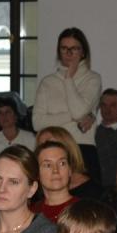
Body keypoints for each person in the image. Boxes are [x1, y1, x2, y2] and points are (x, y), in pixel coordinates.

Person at [32, 27, 103, 181]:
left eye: (74, 48)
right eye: (64, 48)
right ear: (59, 52)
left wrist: (68, 77)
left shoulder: (92, 79)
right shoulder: (47, 82)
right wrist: (74, 117)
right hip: (52, 149)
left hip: (82, 148)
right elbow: (37, 123)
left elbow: (79, 111)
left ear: (83, 52)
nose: (69, 53)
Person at [35, 126, 104, 200]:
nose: (46, 150)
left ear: (68, 147)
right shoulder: (38, 192)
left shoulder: (93, 193)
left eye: (51, 144)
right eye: (41, 146)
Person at [32, 140, 79, 223]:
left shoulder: (85, 210)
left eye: (62, 163)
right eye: (48, 165)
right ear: (37, 173)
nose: (55, 170)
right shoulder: (31, 213)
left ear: (70, 170)